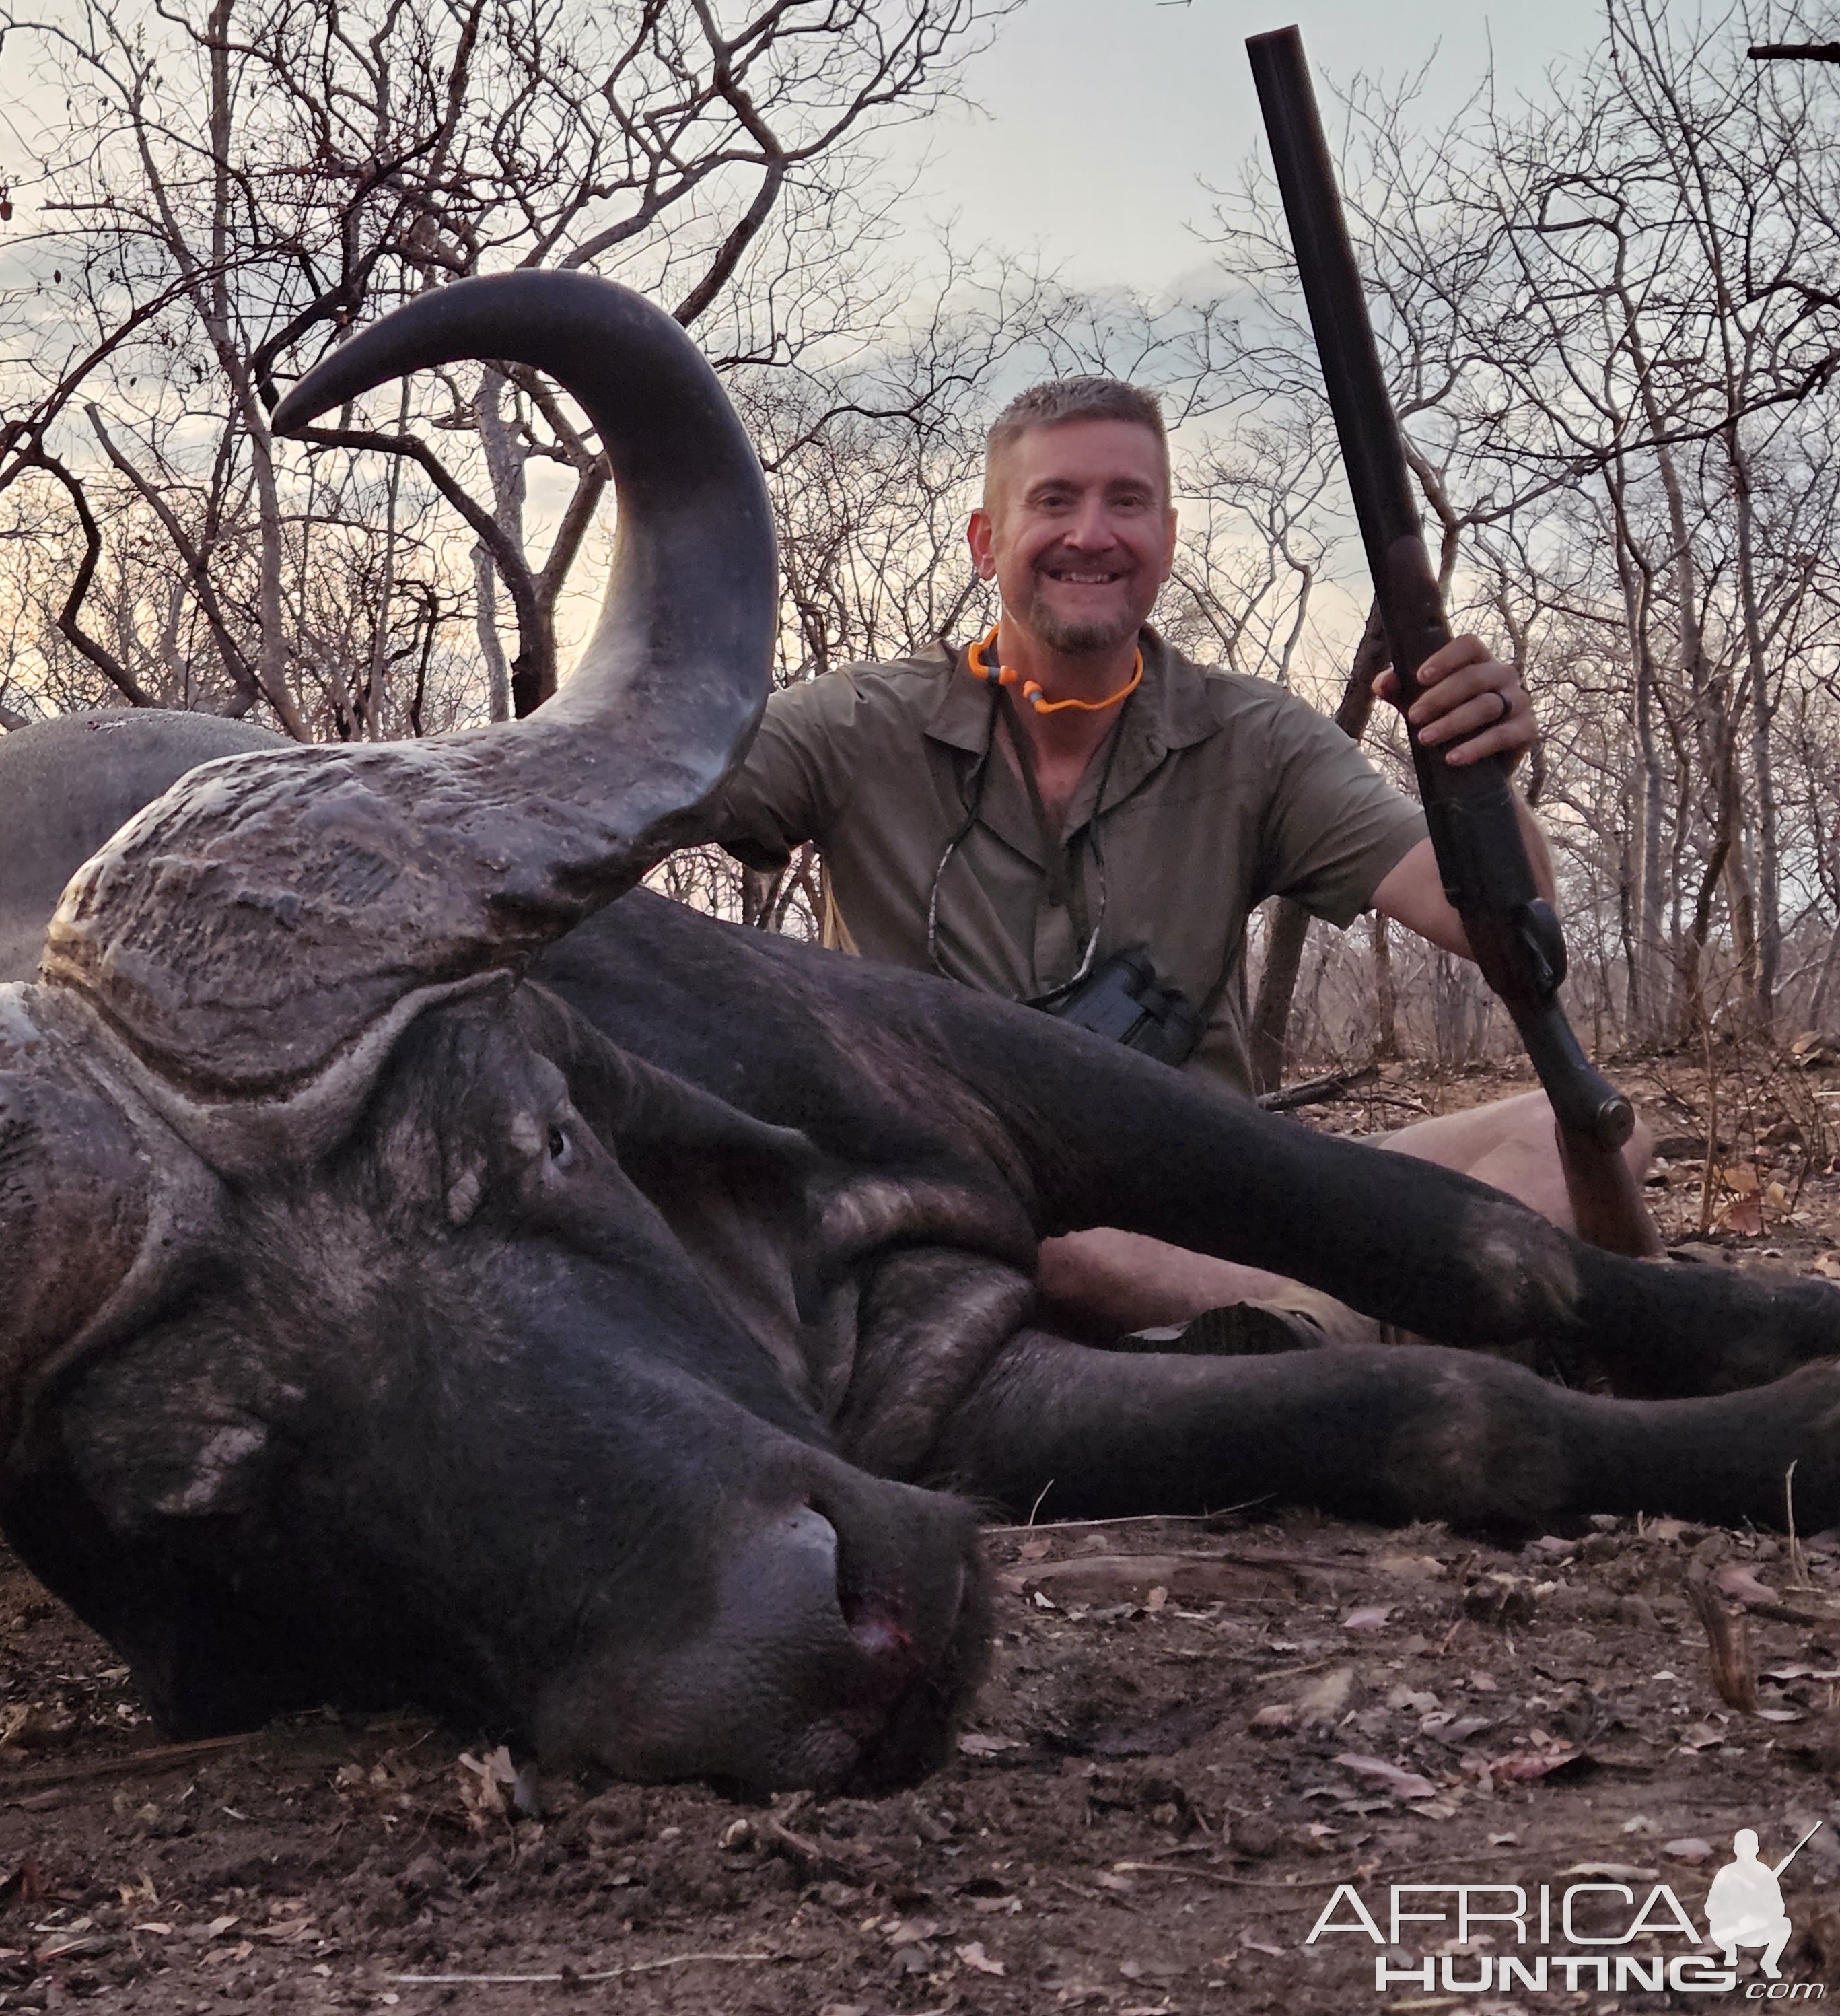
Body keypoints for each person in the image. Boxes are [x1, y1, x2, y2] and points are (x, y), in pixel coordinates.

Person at [704, 375, 1650, 1342]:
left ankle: (1308, 1331)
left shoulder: (1254, 736)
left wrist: (1482, 780)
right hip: (979, 1219)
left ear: (1164, 537)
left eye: (1128, 502)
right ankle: (1361, 1328)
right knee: (1070, 1248)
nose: (1093, 533)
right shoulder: (853, 724)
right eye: (1055, 500)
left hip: (1228, 1202)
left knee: (1576, 1130)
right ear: (986, 543)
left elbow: (1501, 927)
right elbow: (644, 788)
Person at [1705, 1829, 1792, 1979]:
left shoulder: (1765, 1874)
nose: (1746, 1852)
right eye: (1742, 1848)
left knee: (1784, 1925)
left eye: (1750, 1847)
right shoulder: (1727, 1873)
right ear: (1736, 1850)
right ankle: (1731, 1957)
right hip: (1731, 1928)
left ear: (1757, 1849)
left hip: (1757, 1928)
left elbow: (1779, 1907)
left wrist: (1762, 1907)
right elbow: (1711, 1905)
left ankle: (1769, 1962)